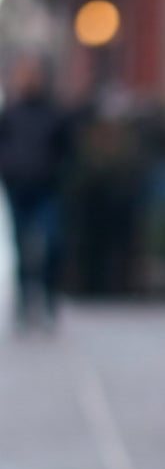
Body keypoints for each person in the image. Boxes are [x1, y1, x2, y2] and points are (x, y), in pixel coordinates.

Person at [0, 54, 71, 329]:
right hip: (18, 188)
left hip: (48, 190)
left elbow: (67, 149)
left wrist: (57, 173)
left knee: (52, 243)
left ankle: (49, 299)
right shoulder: (10, 114)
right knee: (21, 247)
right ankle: (24, 303)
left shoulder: (54, 114)